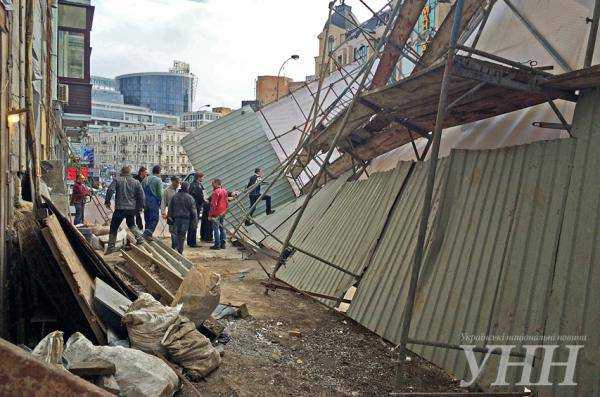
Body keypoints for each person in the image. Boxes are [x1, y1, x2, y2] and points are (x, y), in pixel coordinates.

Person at [104, 166, 145, 254]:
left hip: (120, 208)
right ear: (130, 172)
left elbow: (110, 189)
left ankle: (111, 246)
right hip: (131, 209)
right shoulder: (136, 182)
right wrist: (139, 207)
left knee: (114, 226)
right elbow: (141, 196)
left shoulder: (117, 180)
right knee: (131, 224)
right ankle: (140, 239)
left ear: (121, 172)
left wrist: (107, 202)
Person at [167, 182, 198, 254]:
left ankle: (174, 247)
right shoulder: (190, 198)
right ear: (187, 188)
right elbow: (194, 212)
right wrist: (195, 223)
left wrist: (169, 217)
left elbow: (170, 208)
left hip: (175, 219)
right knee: (182, 235)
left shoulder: (175, 196)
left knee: (175, 233)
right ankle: (180, 251)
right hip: (185, 220)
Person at [143, 165, 163, 240]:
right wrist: (161, 203)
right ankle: (147, 234)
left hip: (145, 202)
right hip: (153, 202)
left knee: (147, 219)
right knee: (154, 218)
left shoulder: (145, 179)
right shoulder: (158, 180)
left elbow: (141, 191)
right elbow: (160, 194)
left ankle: (147, 235)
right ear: (159, 172)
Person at [208, 178, 228, 250]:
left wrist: (210, 215)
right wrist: (225, 210)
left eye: (213, 183)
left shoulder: (215, 192)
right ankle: (223, 244)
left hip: (216, 213)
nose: (212, 185)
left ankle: (217, 244)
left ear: (216, 184)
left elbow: (213, 204)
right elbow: (226, 202)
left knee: (215, 229)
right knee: (222, 228)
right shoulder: (224, 191)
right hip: (222, 212)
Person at [161, 176, 180, 249]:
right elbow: (163, 202)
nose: (178, 184)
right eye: (176, 182)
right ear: (172, 181)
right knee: (172, 230)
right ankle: (174, 245)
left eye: (179, 182)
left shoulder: (180, 190)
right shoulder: (167, 191)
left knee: (179, 230)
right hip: (171, 214)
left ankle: (177, 245)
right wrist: (163, 213)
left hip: (180, 214)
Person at [187, 172, 205, 247]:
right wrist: (205, 201)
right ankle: (192, 243)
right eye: (203, 177)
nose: (203, 178)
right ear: (199, 177)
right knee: (194, 224)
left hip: (192, 207)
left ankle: (189, 241)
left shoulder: (191, 184)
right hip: (196, 207)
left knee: (191, 224)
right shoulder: (197, 186)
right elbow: (200, 197)